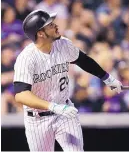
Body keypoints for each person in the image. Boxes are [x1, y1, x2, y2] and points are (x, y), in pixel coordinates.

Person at [13, 9, 122, 151]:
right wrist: (52, 106)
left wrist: (107, 78)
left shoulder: (63, 44)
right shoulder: (26, 58)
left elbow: (83, 60)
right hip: (37, 119)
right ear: (40, 33)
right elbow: (21, 95)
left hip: (65, 112)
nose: (56, 26)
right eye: (50, 25)